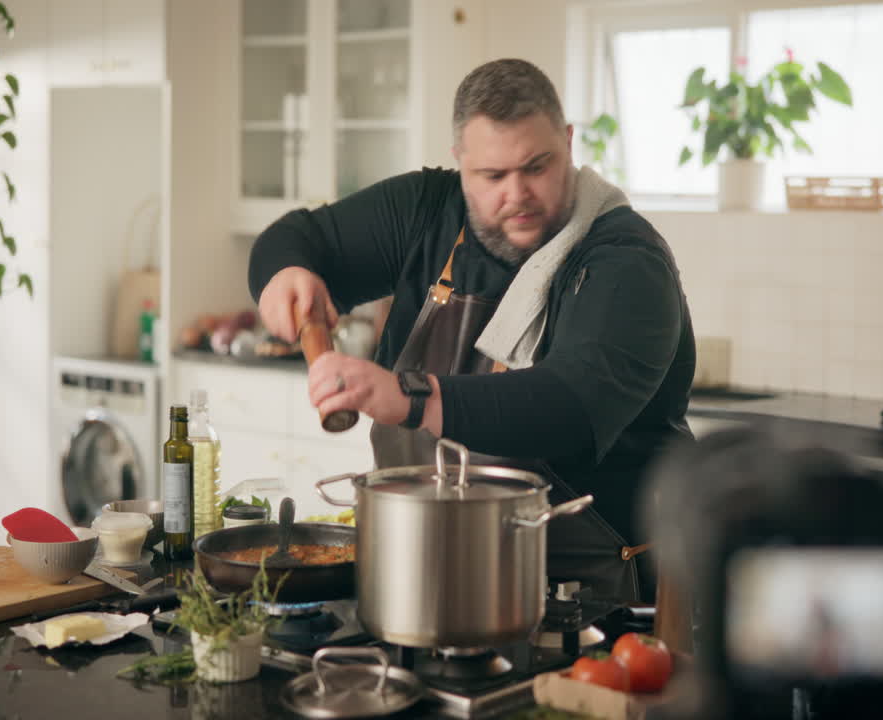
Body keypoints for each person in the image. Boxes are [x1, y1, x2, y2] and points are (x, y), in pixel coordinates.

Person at [249, 58, 695, 601]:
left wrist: (410, 397)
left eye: (537, 166)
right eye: (492, 176)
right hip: (419, 577)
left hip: (592, 603)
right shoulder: (428, 211)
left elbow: (569, 407)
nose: (518, 194)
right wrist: (285, 274)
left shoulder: (626, 263)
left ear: (570, 143)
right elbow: (298, 237)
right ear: (460, 162)